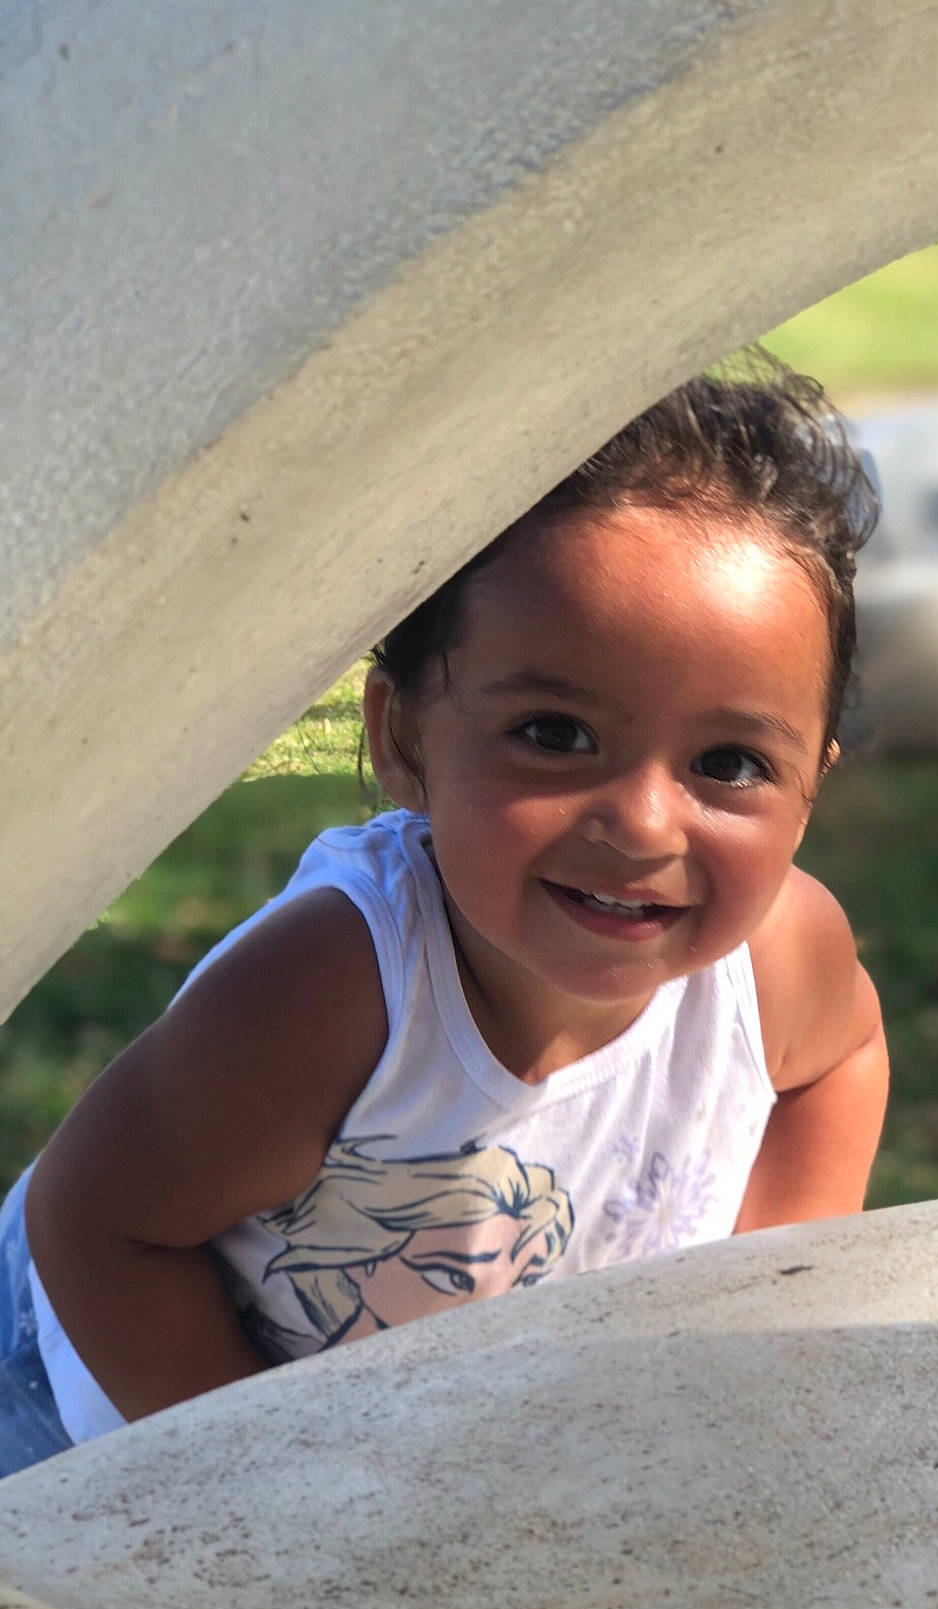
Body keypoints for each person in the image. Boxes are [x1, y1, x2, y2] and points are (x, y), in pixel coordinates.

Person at [0, 357, 888, 1476]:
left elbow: (840, 1055)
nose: (643, 824)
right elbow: (95, 1223)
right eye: (556, 735)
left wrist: (765, 1303)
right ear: (405, 739)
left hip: (431, 1424)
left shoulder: (781, 961)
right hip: (74, 1397)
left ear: (810, 789)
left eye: (730, 763)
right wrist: (275, 1488)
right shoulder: (333, 992)